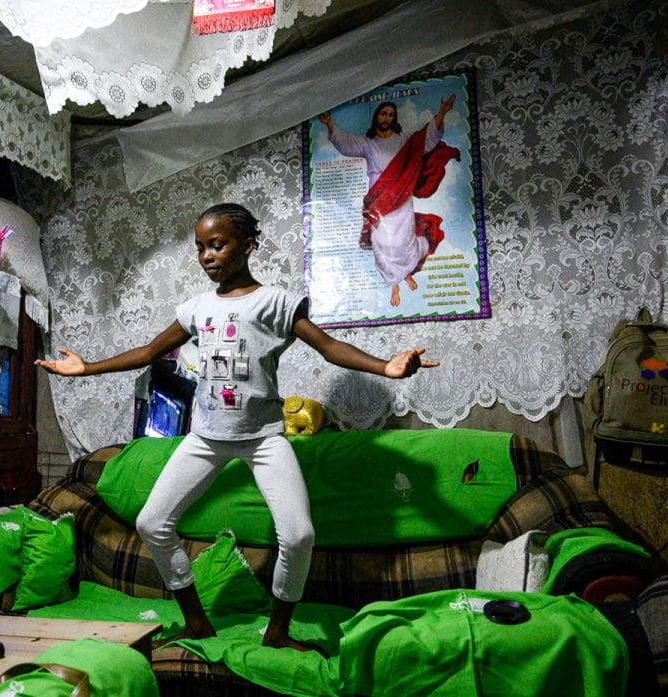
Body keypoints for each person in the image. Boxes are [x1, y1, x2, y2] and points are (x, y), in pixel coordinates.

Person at [36, 203, 439, 653]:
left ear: (248, 246)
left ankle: (279, 631)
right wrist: (85, 368)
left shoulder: (276, 303)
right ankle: (196, 622)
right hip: (205, 439)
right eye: (200, 248)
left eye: (217, 244)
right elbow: (150, 351)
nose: (207, 255)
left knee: (300, 535)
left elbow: (328, 347)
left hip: (264, 441)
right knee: (153, 523)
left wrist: (387, 366)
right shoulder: (196, 308)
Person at [318, 95, 459, 307]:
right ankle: (395, 283)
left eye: (391, 115)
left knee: (403, 240)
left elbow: (426, 139)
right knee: (382, 243)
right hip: (379, 198)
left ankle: (405, 274)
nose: (387, 118)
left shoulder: (404, 140)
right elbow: (346, 144)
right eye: (384, 114)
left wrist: (442, 113)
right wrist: (330, 124)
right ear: (377, 117)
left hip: (400, 195)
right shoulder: (367, 144)